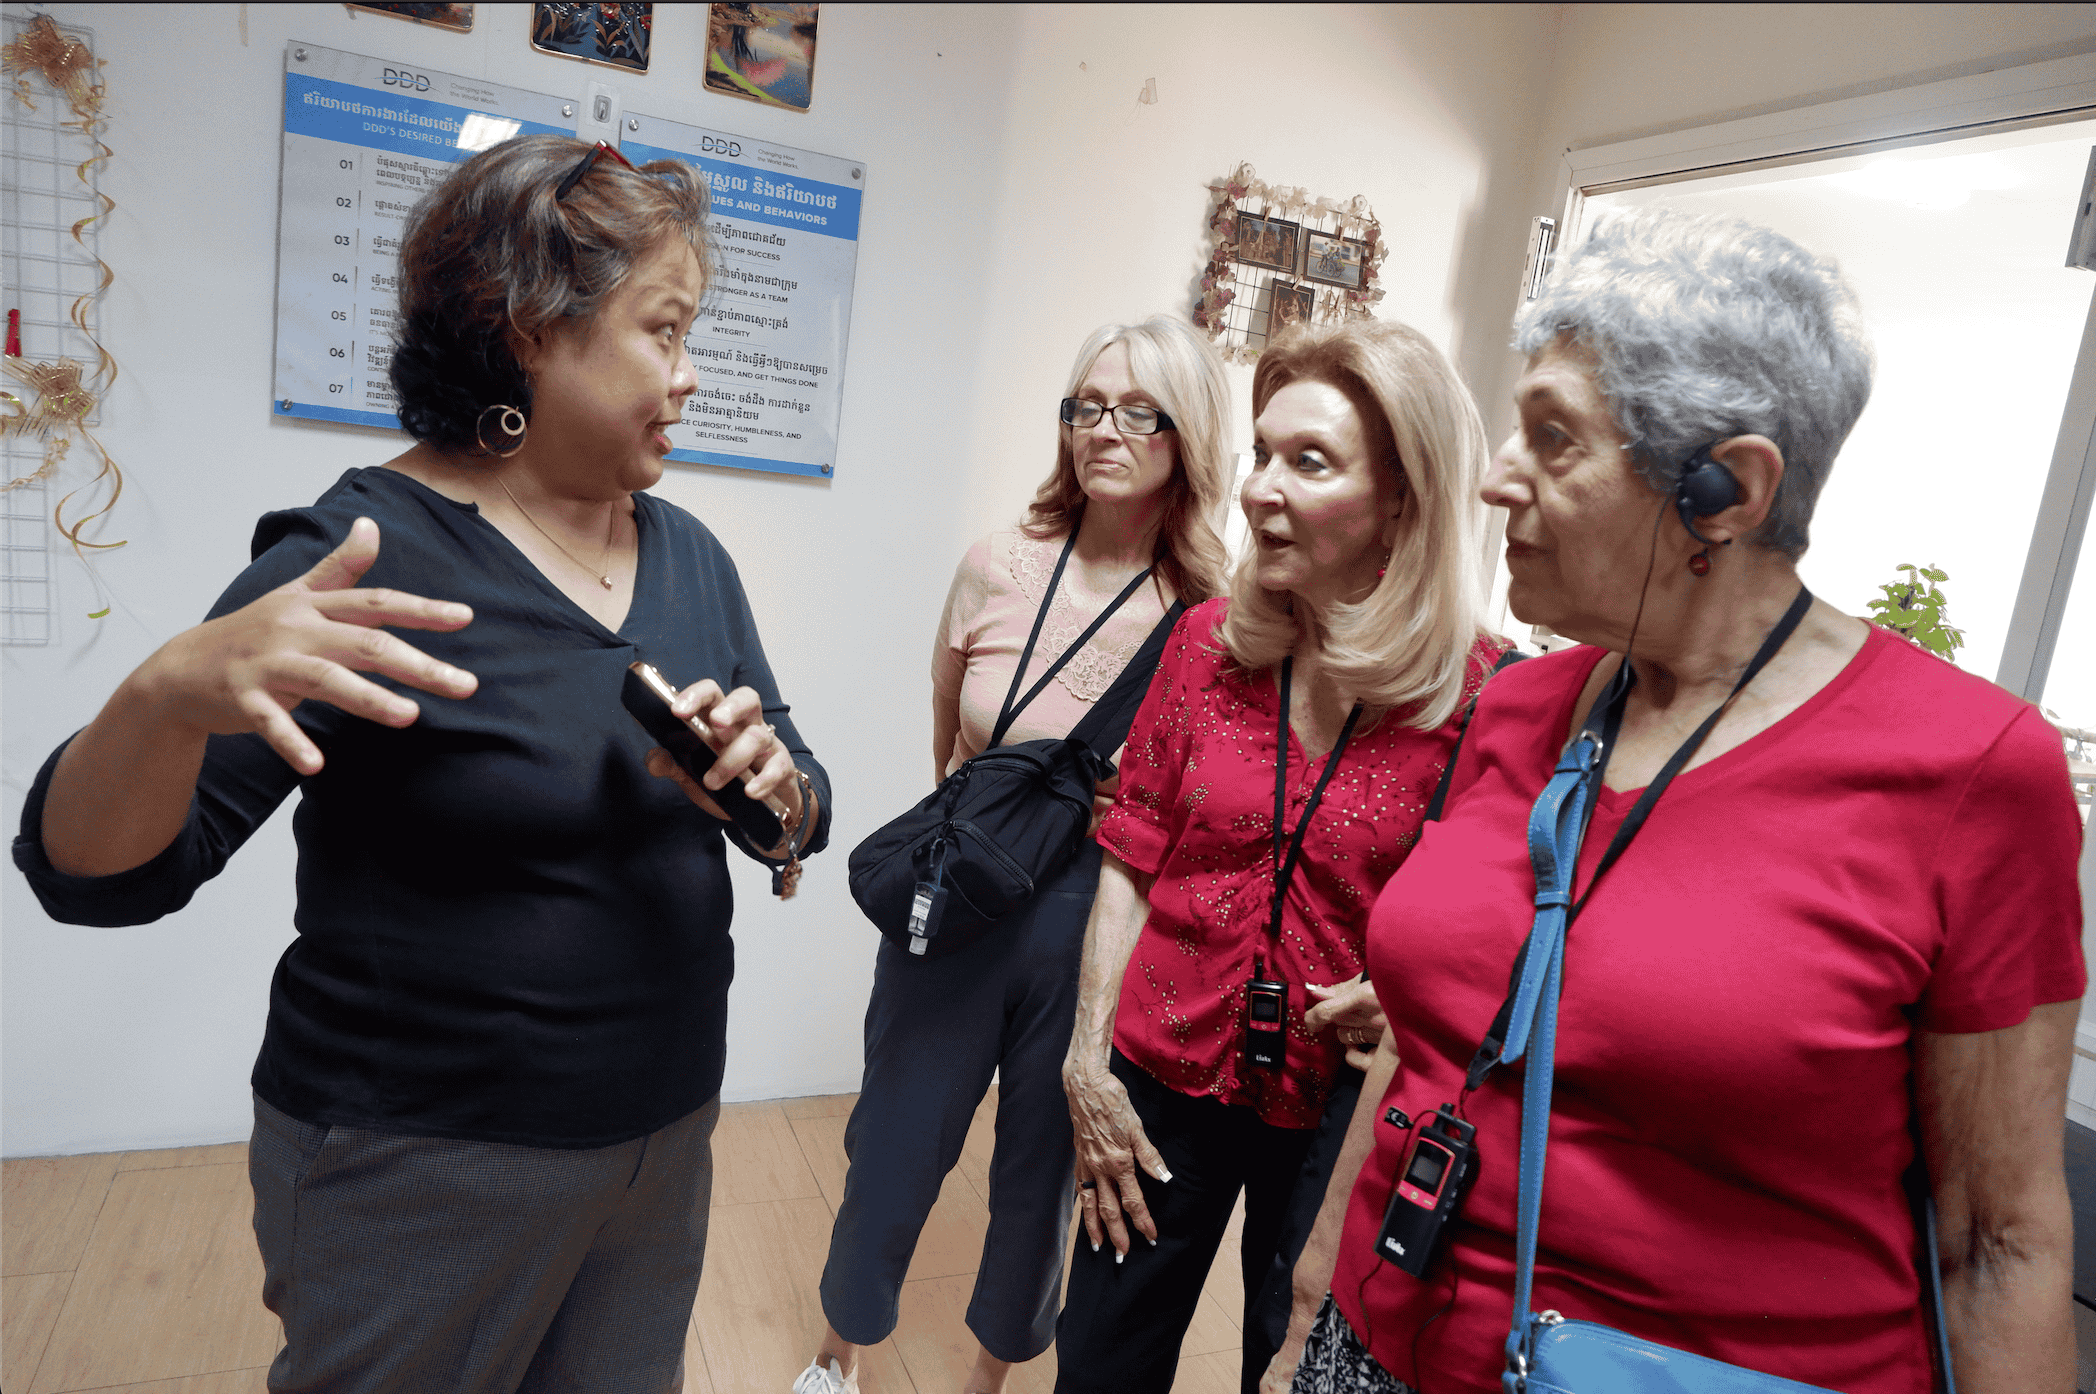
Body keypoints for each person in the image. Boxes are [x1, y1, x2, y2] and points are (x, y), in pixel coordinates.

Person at [12, 134, 830, 1393]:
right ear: (526, 334)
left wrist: (778, 795)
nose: (691, 370)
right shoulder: (360, 558)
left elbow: (797, 794)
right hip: (425, 1162)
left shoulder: (690, 553)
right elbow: (93, 872)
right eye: (663, 332)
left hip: (659, 1143)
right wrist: (162, 695)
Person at [1269, 208, 2085, 1394]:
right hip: (1379, 1341)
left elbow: (1997, 1239)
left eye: (1551, 437)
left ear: (1726, 489)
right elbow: (1429, 1043)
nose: (1495, 476)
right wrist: (1310, 1297)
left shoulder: (1969, 773)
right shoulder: (1520, 706)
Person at [1055, 319, 1511, 1394]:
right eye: (1261, 452)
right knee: (1101, 1359)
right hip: (1158, 1066)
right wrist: (1085, 1062)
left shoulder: (1484, 696)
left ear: (1402, 497)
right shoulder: (1205, 642)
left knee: (1293, 1350)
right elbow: (1129, 853)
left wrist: (1404, 991)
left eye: (1307, 461)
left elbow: (1499, 934)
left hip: (1340, 1108)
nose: (1257, 487)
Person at [797, 316, 1233, 1394]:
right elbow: (951, 738)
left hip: (1090, 920)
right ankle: (833, 1355)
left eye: (1138, 410)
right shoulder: (996, 563)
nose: (1104, 429)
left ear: (1189, 436)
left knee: (1040, 1172)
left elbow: (1186, 807)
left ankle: (986, 1375)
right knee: (891, 1142)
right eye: (1085, 405)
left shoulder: (1211, 616)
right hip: (966, 889)